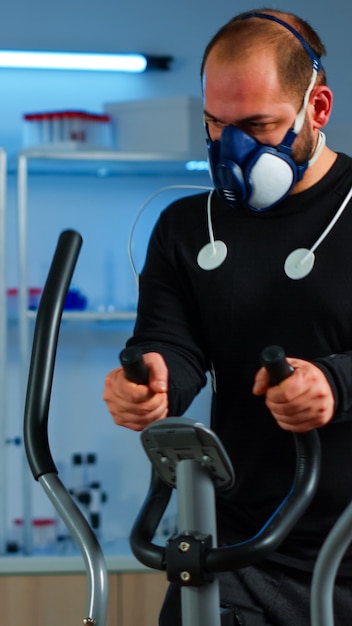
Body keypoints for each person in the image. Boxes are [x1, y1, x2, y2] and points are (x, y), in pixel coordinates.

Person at [103, 8, 352, 625]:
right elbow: (172, 343)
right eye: (216, 124)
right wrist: (154, 380)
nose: (232, 148)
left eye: (258, 126)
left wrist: (336, 383)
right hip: (243, 547)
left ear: (315, 109)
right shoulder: (186, 226)